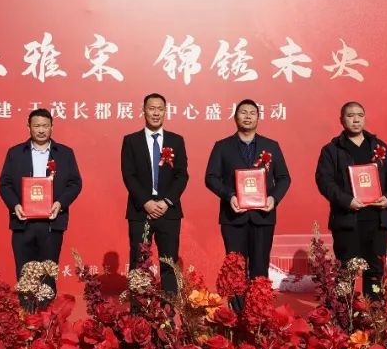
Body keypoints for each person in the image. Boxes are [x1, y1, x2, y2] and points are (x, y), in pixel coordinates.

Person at [0, 109, 83, 306]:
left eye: (45, 126)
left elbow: (75, 183)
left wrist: (60, 203)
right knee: (25, 272)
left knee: (48, 273)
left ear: (52, 127)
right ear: (28, 127)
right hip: (23, 223)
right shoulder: (15, 153)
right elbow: (4, 184)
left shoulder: (65, 153)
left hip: (52, 223)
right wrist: (15, 205)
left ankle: (47, 318)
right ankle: (26, 316)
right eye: (36, 126)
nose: (41, 130)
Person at [315, 101, 387, 299]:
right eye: (350, 115)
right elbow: (324, 181)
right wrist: (347, 201)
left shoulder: (379, 147)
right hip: (347, 221)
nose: (356, 120)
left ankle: (374, 312)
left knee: (375, 271)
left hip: (377, 220)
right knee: (346, 271)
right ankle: (346, 314)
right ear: (341, 120)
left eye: (360, 115)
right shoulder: (331, 150)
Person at [204, 99, 291, 284]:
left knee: (260, 268)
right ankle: (236, 304)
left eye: (252, 113)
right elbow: (211, 178)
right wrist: (229, 196)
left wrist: (273, 198)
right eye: (243, 112)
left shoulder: (271, 146)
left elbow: (284, 178)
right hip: (233, 216)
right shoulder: (222, 146)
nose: (248, 116)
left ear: (258, 118)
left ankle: (258, 303)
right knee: (235, 269)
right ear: (235, 117)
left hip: (263, 216)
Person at [121, 93, 189, 293]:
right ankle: (137, 309)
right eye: (152, 108)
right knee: (138, 262)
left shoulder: (176, 140)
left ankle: (169, 308)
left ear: (165, 111)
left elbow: (181, 175)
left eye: (160, 109)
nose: (156, 113)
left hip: (169, 211)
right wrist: (146, 202)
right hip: (140, 211)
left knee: (169, 263)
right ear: (144, 111)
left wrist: (166, 202)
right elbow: (129, 175)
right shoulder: (131, 141)